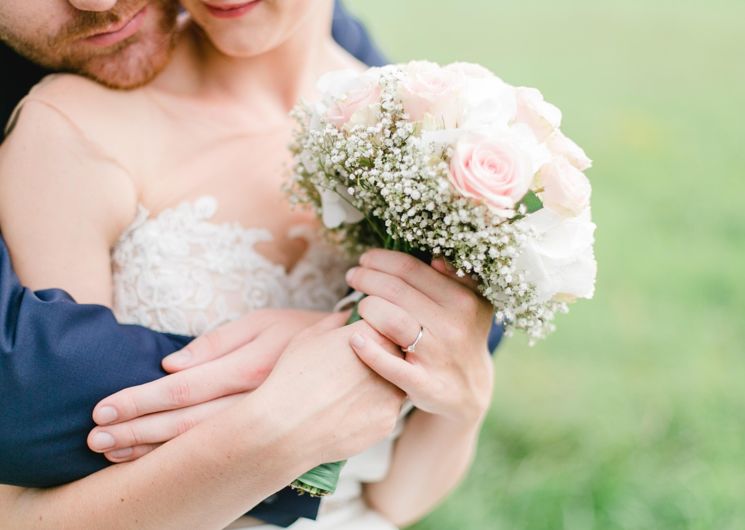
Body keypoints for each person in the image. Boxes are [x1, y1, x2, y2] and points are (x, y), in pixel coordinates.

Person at [0, 1, 500, 528]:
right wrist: (280, 418)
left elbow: (395, 500)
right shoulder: (72, 130)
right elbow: (23, 500)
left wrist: (467, 395)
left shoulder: (426, 132)